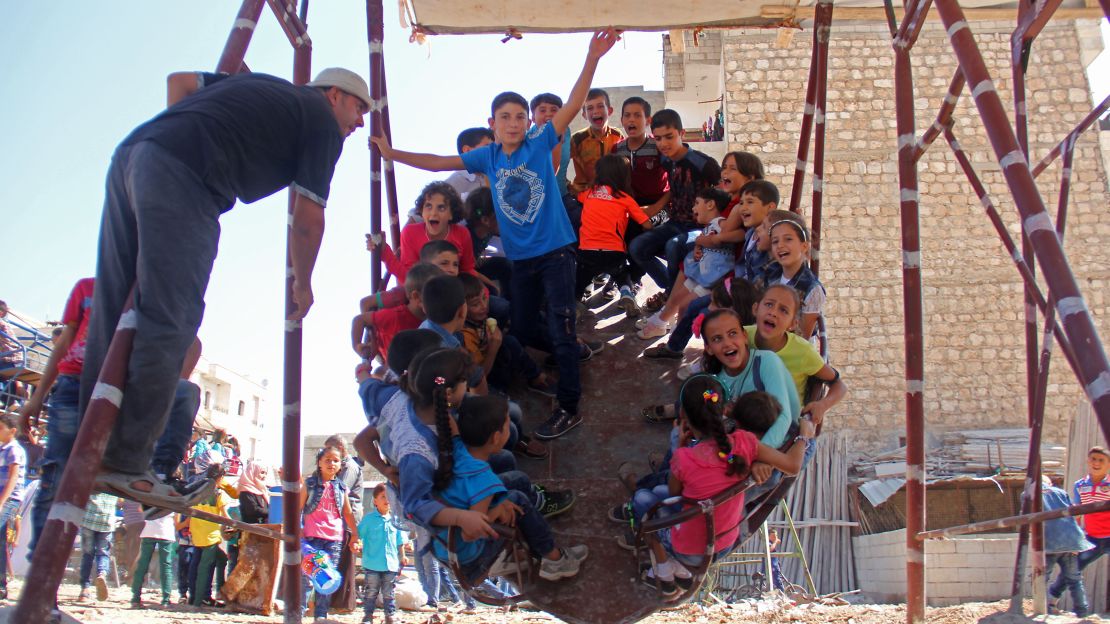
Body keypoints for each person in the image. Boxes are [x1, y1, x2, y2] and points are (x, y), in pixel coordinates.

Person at [81, 66, 370, 507]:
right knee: (170, 316)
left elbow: (177, 82)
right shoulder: (321, 122)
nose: (360, 121)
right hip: (185, 178)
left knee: (113, 306)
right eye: (357, 106)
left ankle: (91, 447)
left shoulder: (262, 85)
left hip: (136, 153)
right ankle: (124, 461)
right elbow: (308, 220)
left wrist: (182, 142)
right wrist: (304, 285)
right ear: (332, 95)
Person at [372, 29, 620, 440]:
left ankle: (570, 404)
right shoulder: (487, 155)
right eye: (505, 117)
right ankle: (571, 350)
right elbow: (437, 163)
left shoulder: (539, 142)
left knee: (559, 326)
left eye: (520, 116)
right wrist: (391, 153)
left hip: (557, 252)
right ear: (493, 123)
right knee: (522, 325)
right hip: (522, 261)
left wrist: (592, 56)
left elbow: (574, 103)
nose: (514, 123)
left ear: (528, 122)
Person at [636, 375, 812, 600]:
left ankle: (664, 569)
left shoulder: (684, 458)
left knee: (643, 501)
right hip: (725, 541)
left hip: (689, 550)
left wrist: (678, 447)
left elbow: (674, 494)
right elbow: (793, 465)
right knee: (658, 497)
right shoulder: (745, 442)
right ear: (724, 410)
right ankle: (675, 569)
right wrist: (804, 436)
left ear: (683, 417)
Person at [436, 394, 588, 583]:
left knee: (517, 479)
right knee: (517, 499)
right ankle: (554, 560)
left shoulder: (458, 446)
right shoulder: (484, 481)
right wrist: (496, 509)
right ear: (497, 437)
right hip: (468, 557)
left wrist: (439, 393)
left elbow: (447, 419)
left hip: (444, 537)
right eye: (508, 425)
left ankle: (532, 525)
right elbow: (470, 533)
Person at [17, 278, 94, 554]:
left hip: (120, 388)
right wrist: (37, 397)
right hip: (73, 383)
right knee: (55, 478)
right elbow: (64, 344)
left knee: (86, 483)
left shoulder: (147, 292)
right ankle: (41, 571)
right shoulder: (87, 288)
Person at [628, 109, 721, 310]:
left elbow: (724, 191)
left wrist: (718, 227)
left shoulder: (702, 163)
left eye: (669, 137)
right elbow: (674, 188)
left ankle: (670, 300)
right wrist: (655, 207)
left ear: (682, 134)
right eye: (658, 138)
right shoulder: (666, 160)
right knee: (637, 247)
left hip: (699, 228)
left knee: (673, 246)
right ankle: (671, 289)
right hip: (675, 222)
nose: (663, 144)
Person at [637, 188, 733, 339]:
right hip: (700, 272)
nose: (693, 208)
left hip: (711, 278)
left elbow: (726, 239)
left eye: (696, 203)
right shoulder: (709, 226)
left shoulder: (722, 223)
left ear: (710, 205)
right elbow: (704, 239)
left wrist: (706, 241)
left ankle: (676, 339)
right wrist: (697, 246)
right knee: (676, 299)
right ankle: (670, 329)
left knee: (685, 305)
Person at [575, 154, 652, 317]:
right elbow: (646, 224)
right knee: (622, 273)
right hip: (613, 252)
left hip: (587, 251)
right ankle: (626, 293)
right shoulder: (625, 199)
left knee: (581, 278)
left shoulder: (589, 194)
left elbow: (578, 197)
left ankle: (574, 304)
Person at [369, 181, 483, 285]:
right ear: (421, 212)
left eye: (441, 208)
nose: (434, 213)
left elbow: (467, 270)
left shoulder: (462, 234)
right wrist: (385, 251)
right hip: (423, 296)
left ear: (451, 214)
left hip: (456, 292)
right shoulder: (410, 233)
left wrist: (482, 293)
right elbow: (409, 277)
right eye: (428, 206)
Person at [300, 446, 362, 621]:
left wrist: (355, 535)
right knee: (306, 576)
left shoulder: (342, 488)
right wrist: (297, 528)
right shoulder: (309, 484)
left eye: (335, 460)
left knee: (327, 577)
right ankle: (298, 611)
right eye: (327, 460)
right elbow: (296, 508)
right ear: (319, 462)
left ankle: (320, 615)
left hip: (333, 539)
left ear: (340, 465)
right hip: (312, 538)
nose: (331, 463)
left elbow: (347, 513)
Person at [763, 218, 826, 340]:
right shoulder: (771, 272)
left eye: (788, 239)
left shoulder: (812, 288)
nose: (780, 245)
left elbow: (802, 336)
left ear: (804, 246)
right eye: (775, 241)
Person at [1043, 475, 1093, 617]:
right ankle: (1082, 612)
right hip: (1070, 542)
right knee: (1074, 579)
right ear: (1050, 483)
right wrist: (1077, 541)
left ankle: (1043, 609)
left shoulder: (1028, 494)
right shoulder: (1061, 492)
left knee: (1041, 578)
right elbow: (1074, 514)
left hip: (1049, 543)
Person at [358, 484, 408, 624]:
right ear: (375, 501)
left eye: (390, 497)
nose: (387, 500)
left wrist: (402, 556)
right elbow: (358, 534)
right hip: (372, 563)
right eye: (383, 497)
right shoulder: (368, 520)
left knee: (389, 592)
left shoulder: (395, 519)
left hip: (391, 564)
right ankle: (368, 616)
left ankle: (390, 615)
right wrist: (356, 544)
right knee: (371, 591)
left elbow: (400, 541)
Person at [189, 487, 232, 607]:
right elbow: (225, 515)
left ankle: (218, 593)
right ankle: (198, 602)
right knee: (204, 568)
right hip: (210, 535)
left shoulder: (198, 490)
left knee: (222, 559)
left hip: (197, 533)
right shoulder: (218, 493)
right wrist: (234, 525)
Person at [1070, 446, 1110, 571]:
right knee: (1073, 569)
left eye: (1101, 460)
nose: (1096, 463)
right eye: (1093, 459)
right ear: (1088, 461)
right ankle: (1054, 591)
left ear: (1108, 464)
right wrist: (1076, 539)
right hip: (1092, 538)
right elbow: (1077, 513)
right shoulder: (1080, 485)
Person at [0, 413, 25, 599]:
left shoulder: (14, 449)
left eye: (1, 428)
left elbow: (13, 477)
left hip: (10, 499)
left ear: (12, 431)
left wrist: (2, 502)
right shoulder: (3, 449)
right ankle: (1, 585)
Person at [130, 513, 177, 608]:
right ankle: (165, 600)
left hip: (149, 530)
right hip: (165, 530)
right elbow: (177, 518)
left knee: (142, 565)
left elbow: (141, 510)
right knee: (165, 566)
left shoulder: (151, 497)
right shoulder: (175, 497)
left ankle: (135, 599)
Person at [78, 492, 118, 602]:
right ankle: (102, 574)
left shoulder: (94, 478)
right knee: (103, 553)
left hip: (88, 520)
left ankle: (85, 590)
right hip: (106, 521)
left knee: (87, 555)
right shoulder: (115, 479)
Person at [530, 94, 572, 196]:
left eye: (554, 110)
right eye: (542, 110)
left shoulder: (566, 132)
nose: (549, 114)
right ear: (533, 118)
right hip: (538, 198)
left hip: (562, 194)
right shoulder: (528, 138)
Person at [444, 127, 494, 202]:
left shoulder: (495, 177)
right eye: (487, 147)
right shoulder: (453, 183)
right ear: (467, 150)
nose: (493, 152)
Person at [236, 460, 270, 524]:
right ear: (253, 472)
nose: (264, 476)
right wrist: (272, 512)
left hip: (264, 530)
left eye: (266, 473)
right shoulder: (246, 491)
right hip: (251, 530)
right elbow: (253, 510)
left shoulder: (262, 491)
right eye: (262, 472)